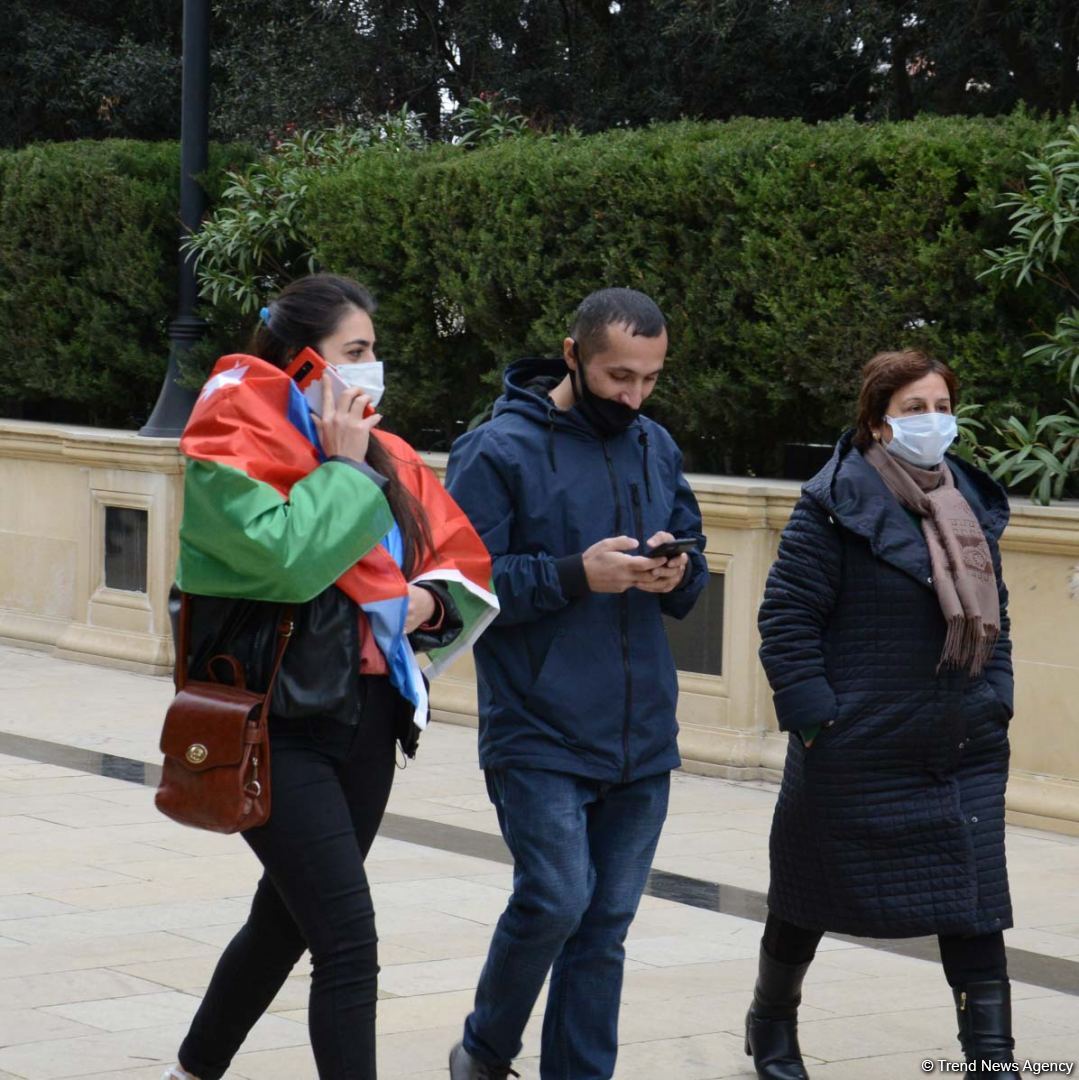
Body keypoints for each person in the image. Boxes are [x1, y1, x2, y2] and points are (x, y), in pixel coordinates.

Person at [160, 273, 498, 1080]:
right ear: (302, 363)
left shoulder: (386, 452)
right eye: (355, 352)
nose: (370, 370)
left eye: (373, 352)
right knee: (348, 941)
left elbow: (459, 562)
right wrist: (345, 471)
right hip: (274, 724)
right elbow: (283, 561)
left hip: (371, 720)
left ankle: (190, 1071)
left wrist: (429, 603)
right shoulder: (225, 445)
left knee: (286, 922)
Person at [444, 287, 708, 1080]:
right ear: (571, 355)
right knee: (556, 900)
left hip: (641, 733)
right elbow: (459, 589)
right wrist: (574, 574)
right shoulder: (494, 450)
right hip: (537, 729)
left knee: (604, 928)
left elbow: (691, 545)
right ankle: (485, 1052)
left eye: (649, 379)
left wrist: (677, 569)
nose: (633, 396)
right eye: (617, 376)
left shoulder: (654, 444)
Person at [746, 350, 1016, 1078]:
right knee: (807, 895)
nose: (932, 421)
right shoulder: (832, 504)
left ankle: (990, 1058)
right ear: (876, 423)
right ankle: (770, 1024)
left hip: (958, 743)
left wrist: (998, 702)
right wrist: (816, 723)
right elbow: (787, 620)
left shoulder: (969, 503)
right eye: (912, 409)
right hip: (853, 746)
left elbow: (999, 619)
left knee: (974, 901)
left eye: (939, 406)